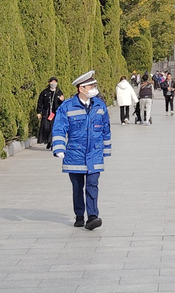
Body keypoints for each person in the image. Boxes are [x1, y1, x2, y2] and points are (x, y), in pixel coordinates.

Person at [51, 70, 111, 230]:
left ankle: (92, 216)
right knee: (77, 187)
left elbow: (106, 127)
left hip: (94, 153)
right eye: (91, 86)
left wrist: (106, 149)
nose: (94, 88)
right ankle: (79, 215)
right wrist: (59, 147)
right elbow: (59, 127)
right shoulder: (67, 106)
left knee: (93, 184)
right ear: (81, 88)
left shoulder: (99, 105)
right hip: (75, 154)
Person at [36, 77, 65, 150]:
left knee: (53, 128)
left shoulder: (59, 92)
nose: (53, 83)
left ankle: (52, 142)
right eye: (52, 82)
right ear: (49, 82)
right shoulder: (44, 92)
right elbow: (40, 102)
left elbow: (63, 104)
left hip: (55, 113)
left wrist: (62, 100)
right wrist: (39, 112)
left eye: (55, 82)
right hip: (46, 112)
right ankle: (48, 141)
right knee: (46, 128)